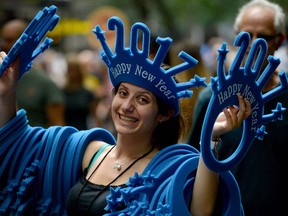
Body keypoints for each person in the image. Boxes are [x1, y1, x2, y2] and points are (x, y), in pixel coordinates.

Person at [0, 16, 251, 215]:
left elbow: (200, 211)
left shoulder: (170, 170)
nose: (127, 106)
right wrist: (7, 93)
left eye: (142, 100)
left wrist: (211, 139)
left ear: (163, 114)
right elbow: (16, 146)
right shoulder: (87, 150)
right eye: (122, 93)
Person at [188, 0, 287, 215]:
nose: (253, 43)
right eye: (246, 35)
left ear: (280, 40)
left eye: (264, 37)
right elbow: (192, 163)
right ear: (235, 37)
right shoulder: (212, 98)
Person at [0, 19, 66, 127]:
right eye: (3, 40)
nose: (3, 45)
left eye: (9, 40)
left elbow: (57, 125)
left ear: (25, 43)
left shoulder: (44, 83)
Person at [63, 53, 101, 130]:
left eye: (74, 70)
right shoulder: (61, 92)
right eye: (69, 69)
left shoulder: (87, 93)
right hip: (66, 133)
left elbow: (95, 117)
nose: (71, 73)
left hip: (83, 133)